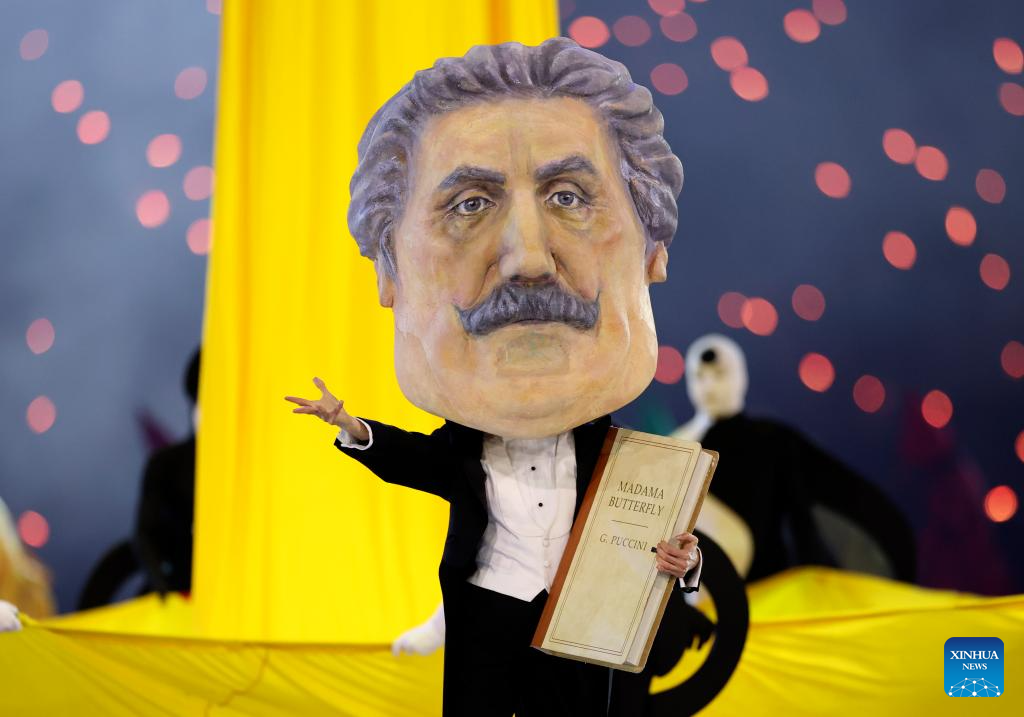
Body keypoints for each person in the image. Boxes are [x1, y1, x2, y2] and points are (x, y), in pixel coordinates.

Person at [286, 38, 702, 717]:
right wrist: (350, 425)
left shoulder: (638, 470)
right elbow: (408, 459)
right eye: (469, 205)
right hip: (488, 614)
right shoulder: (457, 455)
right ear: (388, 270)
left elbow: (666, 562)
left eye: (570, 196)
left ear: (653, 247)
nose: (528, 258)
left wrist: (686, 569)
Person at [673, 334, 916, 582]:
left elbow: (805, 512)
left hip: (768, 582)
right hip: (699, 587)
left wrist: (811, 571)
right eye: (699, 377)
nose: (709, 387)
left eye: (719, 375)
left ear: (740, 377)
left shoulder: (772, 439)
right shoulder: (679, 446)